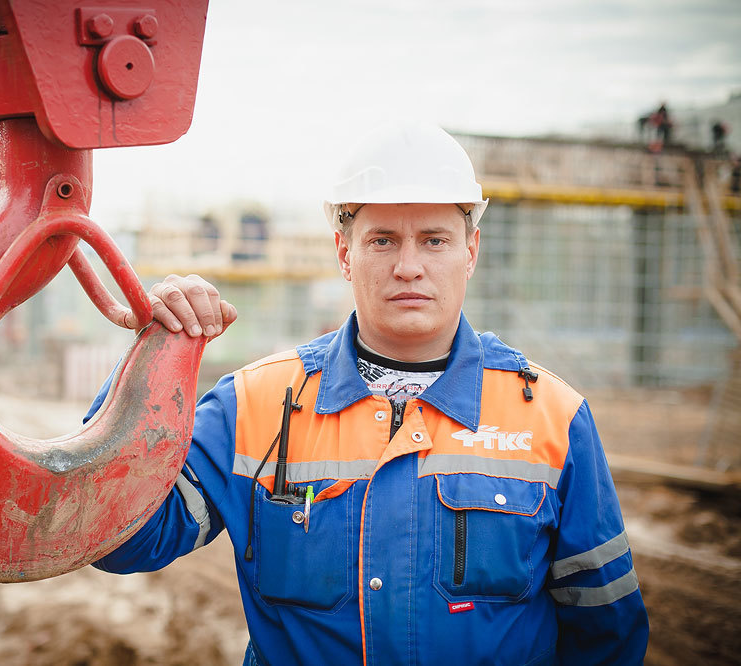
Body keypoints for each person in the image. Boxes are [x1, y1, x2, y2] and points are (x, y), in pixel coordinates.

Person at [86, 120, 649, 664]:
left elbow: (606, 633)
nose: (409, 266)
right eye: (382, 240)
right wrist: (154, 357)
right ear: (343, 253)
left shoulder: (553, 418)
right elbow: (119, 538)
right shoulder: (252, 407)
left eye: (434, 240)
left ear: (470, 252)